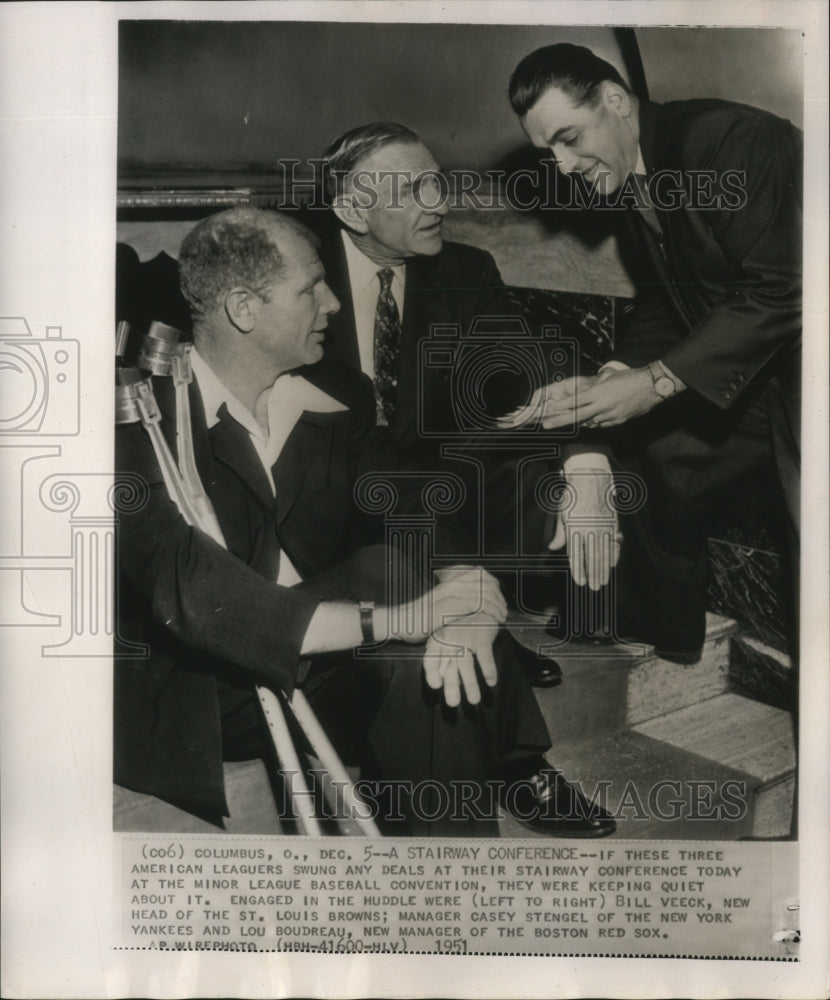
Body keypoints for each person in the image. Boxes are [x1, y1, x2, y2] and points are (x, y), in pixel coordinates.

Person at [113, 206, 615, 838]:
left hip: (327, 656)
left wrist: (472, 593)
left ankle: (449, 890)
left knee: (426, 656)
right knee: (390, 579)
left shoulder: (336, 392)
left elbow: (407, 498)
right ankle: (506, 778)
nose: (332, 304)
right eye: (310, 289)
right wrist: (402, 616)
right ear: (244, 309)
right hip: (207, 686)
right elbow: (193, 595)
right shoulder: (138, 422)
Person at [503, 44, 801, 661]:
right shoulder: (630, 171)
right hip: (761, 370)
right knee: (653, 448)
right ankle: (655, 632)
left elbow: (788, 286)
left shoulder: (725, 140)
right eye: (546, 152)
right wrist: (615, 378)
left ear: (615, 100)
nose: (561, 165)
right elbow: (669, 304)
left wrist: (656, 382)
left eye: (568, 137)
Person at [312, 122, 621, 679]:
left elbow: (533, 364)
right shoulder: (298, 266)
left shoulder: (464, 269)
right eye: (412, 192)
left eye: (437, 183)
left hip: (429, 483)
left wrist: (586, 459)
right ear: (354, 213)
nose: (438, 204)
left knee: (534, 467)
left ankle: (488, 617)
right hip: (324, 484)